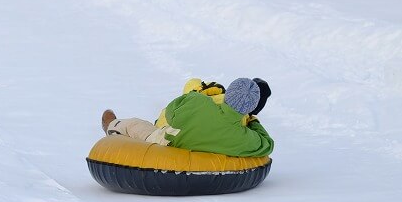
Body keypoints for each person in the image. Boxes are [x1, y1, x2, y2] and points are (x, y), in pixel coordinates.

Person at [101, 77, 274, 159]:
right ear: (251, 109)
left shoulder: (199, 103)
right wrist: (253, 122)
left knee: (137, 126)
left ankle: (112, 124)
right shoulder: (244, 138)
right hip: (202, 151)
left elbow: (170, 112)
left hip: (167, 144)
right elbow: (267, 144)